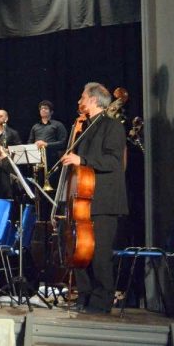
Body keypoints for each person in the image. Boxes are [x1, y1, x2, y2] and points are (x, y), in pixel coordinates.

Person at [60, 82, 128, 315]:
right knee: (82, 253)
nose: (80, 100)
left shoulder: (112, 126)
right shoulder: (85, 128)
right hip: (85, 200)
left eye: (83, 96)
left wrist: (82, 160)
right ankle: (85, 296)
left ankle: (101, 301)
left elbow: (113, 161)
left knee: (99, 255)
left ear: (94, 100)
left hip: (105, 200)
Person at [28, 100, 68, 165]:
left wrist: (46, 144)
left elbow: (63, 143)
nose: (43, 110)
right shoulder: (35, 126)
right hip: (37, 160)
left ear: (51, 112)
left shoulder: (58, 125)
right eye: (41, 109)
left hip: (53, 159)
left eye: (46, 108)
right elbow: (30, 142)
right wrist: (34, 146)